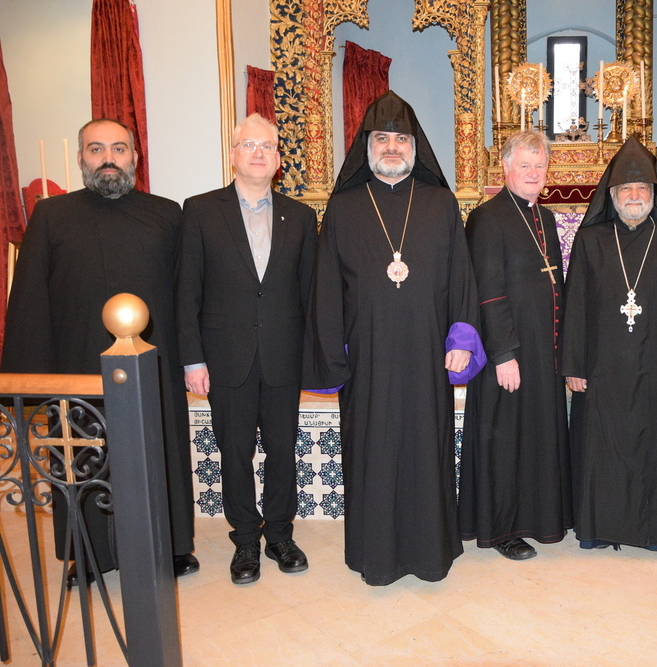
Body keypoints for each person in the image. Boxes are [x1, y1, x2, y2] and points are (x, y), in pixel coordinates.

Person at [2, 118, 197, 580]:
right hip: (76, 362)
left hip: (154, 361)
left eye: (118, 149)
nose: (108, 158)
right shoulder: (51, 216)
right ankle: (85, 551)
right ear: (80, 158)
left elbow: (185, 292)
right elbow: (30, 297)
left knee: (158, 451)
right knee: (81, 455)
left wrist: (190, 356)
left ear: (135, 156)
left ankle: (168, 545)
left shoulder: (168, 214)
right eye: (96, 149)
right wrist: (31, 379)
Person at [303, 91, 482, 586]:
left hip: (428, 354)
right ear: (367, 145)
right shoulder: (342, 208)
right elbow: (326, 290)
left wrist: (462, 338)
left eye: (400, 139)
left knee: (428, 447)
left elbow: (461, 277)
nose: (391, 147)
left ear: (415, 146)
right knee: (373, 450)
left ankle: (430, 554)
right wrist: (334, 355)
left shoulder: (440, 203)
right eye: (381, 138)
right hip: (368, 358)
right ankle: (376, 556)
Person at [175, 113, 316, 585]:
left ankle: (279, 534)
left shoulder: (300, 216)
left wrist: (312, 357)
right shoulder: (198, 210)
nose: (258, 152)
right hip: (225, 359)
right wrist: (192, 359)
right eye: (248, 144)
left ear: (279, 159)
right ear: (233, 154)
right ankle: (244, 543)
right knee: (233, 452)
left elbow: (309, 293)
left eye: (268, 146)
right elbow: (186, 293)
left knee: (282, 450)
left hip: (282, 357)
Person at [560, 135, 657, 551]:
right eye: (625, 189)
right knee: (600, 448)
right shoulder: (591, 241)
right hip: (600, 369)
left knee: (655, 449)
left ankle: (655, 530)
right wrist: (573, 365)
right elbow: (575, 307)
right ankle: (596, 527)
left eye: (642, 189)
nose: (634, 195)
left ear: (654, 194)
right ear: (611, 195)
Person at [459, 131, 572, 560]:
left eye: (539, 166)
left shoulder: (543, 218)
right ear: (505, 169)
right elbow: (488, 292)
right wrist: (504, 354)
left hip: (541, 351)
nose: (532, 173)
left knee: (535, 438)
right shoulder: (488, 218)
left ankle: (537, 518)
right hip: (508, 354)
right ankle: (502, 528)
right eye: (524, 165)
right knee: (505, 441)